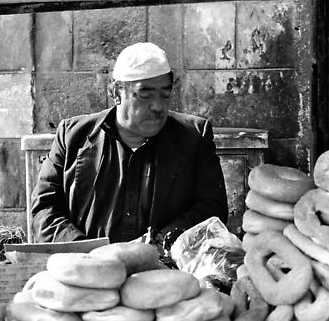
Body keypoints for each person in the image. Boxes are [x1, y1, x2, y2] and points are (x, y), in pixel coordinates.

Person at [31, 42, 228, 243]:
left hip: (165, 267)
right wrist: (86, 251)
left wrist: (158, 244)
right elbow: (44, 208)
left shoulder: (193, 137)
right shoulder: (73, 136)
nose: (158, 106)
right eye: (145, 95)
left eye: (165, 94)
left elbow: (211, 208)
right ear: (116, 93)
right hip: (86, 266)